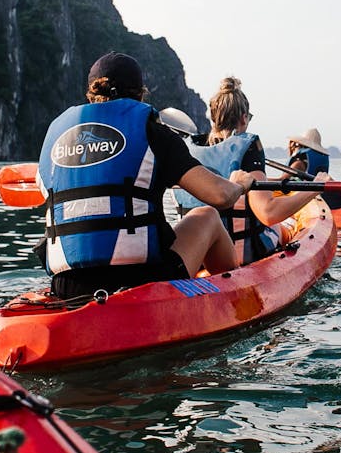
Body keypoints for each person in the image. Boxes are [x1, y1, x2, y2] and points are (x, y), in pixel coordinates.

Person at [38, 52, 257, 299]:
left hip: (67, 286)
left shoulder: (56, 139)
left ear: (91, 93)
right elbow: (220, 196)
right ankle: (232, 297)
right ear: (140, 92)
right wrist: (239, 183)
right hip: (140, 280)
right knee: (206, 216)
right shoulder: (153, 132)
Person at [174, 78, 328, 264]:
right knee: (284, 227)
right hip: (243, 257)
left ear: (213, 118)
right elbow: (268, 213)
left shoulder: (186, 148)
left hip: (197, 258)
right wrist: (315, 189)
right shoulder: (247, 147)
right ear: (244, 118)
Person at [287, 127, 341, 210]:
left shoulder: (299, 163)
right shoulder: (316, 157)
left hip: (309, 197)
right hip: (319, 194)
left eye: (295, 144)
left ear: (299, 145)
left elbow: (282, 179)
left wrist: (264, 180)